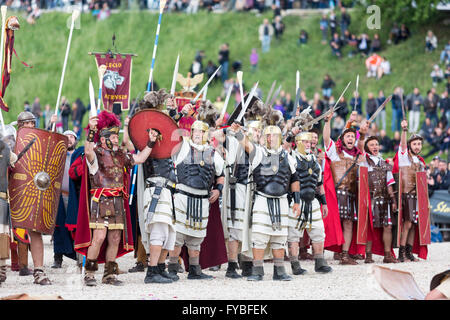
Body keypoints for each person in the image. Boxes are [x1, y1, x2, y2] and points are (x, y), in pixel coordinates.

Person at [75, 110, 158, 286]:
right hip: (101, 200)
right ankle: (89, 273)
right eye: (112, 137)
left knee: (114, 238)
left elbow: (140, 158)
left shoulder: (121, 156)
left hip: (117, 201)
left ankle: (109, 275)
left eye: (116, 137)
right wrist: (91, 130)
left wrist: (151, 142)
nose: (116, 139)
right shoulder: (95, 154)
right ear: (103, 139)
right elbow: (87, 150)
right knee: (98, 237)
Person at [230, 111, 301, 281]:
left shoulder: (288, 157)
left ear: (279, 137)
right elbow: (246, 144)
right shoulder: (258, 153)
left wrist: (297, 202)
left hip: (282, 201)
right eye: (268, 136)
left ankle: (279, 270)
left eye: (274, 136)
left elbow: (294, 179)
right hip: (262, 199)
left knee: (279, 237)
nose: (271, 139)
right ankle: (257, 270)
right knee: (259, 236)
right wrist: (238, 132)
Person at [167, 102, 225, 281]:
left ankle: (194, 269)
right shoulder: (183, 146)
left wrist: (219, 190)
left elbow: (220, 175)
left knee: (196, 236)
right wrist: (177, 114)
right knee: (178, 234)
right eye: (195, 131)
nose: (197, 134)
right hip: (183, 195)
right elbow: (170, 130)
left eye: (201, 132)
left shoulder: (213, 153)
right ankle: (171, 268)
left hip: (202, 199)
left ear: (206, 134)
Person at [287, 130, 332, 275]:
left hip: (313, 201)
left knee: (319, 231)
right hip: (296, 201)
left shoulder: (314, 160)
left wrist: (323, 203)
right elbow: (284, 148)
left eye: (310, 142)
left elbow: (319, 184)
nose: (309, 144)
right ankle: (295, 264)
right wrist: (290, 134)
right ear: (298, 143)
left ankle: (320, 262)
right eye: (305, 141)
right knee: (294, 234)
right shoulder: (291, 158)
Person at [322, 111, 365, 265]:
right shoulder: (335, 153)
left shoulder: (358, 156)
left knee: (348, 223)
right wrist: (327, 122)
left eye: (353, 137)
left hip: (351, 194)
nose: (350, 138)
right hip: (336, 194)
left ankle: (345, 255)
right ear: (343, 139)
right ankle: (330, 251)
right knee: (334, 222)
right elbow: (326, 139)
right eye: (347, 136)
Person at [358, 130, 398, 263]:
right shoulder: (364, 161)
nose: (375, 147)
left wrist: (393, 200)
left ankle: (387, 255)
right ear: (367, 148)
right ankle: (368, 255)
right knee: (370, 227)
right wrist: (362, 135)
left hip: (385, 199)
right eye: (372, 145)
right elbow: (360, 146)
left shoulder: (384, 163)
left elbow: (389, 184)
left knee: (388, 226)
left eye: (376, 144)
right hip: (371, 199)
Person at [393, 119, 429, 262]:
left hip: (417, 196)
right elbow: (402, 145)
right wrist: (404, 131)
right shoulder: (404, 158)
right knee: (407, 223)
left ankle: (409, 252)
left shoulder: (420, 161)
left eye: (419, 143)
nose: (417, 146)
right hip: (407, 194)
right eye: (414, 143)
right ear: (410, 145)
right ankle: (401, 253)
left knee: (414, 224)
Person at [51, 130, 85, 269]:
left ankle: (79, 257)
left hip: (75, 197)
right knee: (58, 227)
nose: (69, 139)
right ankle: (57, 258)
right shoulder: (57, 155)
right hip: (59, 196)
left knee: (76, 226)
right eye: (66, 137)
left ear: (75, 140)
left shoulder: (80, 155)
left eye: (72, 137)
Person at [0, 125, 18, 286]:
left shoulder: (4, 148)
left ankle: (1, 269)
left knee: (2, 236)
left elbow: (15, 160)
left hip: (1, 198)